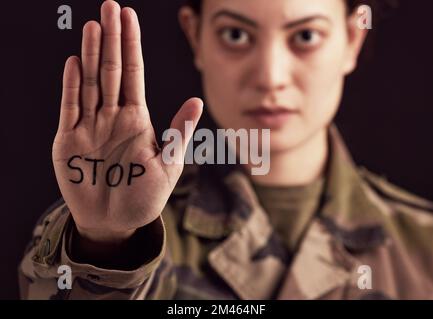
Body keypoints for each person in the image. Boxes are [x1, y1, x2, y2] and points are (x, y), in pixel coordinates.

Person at [19, 0, 433, 300]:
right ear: (195, 35)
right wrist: (105, 244)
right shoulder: (123, 236)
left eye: (306, 36)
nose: (270, 77)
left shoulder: (424, 249)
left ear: (352, 40)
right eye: (236, 34)